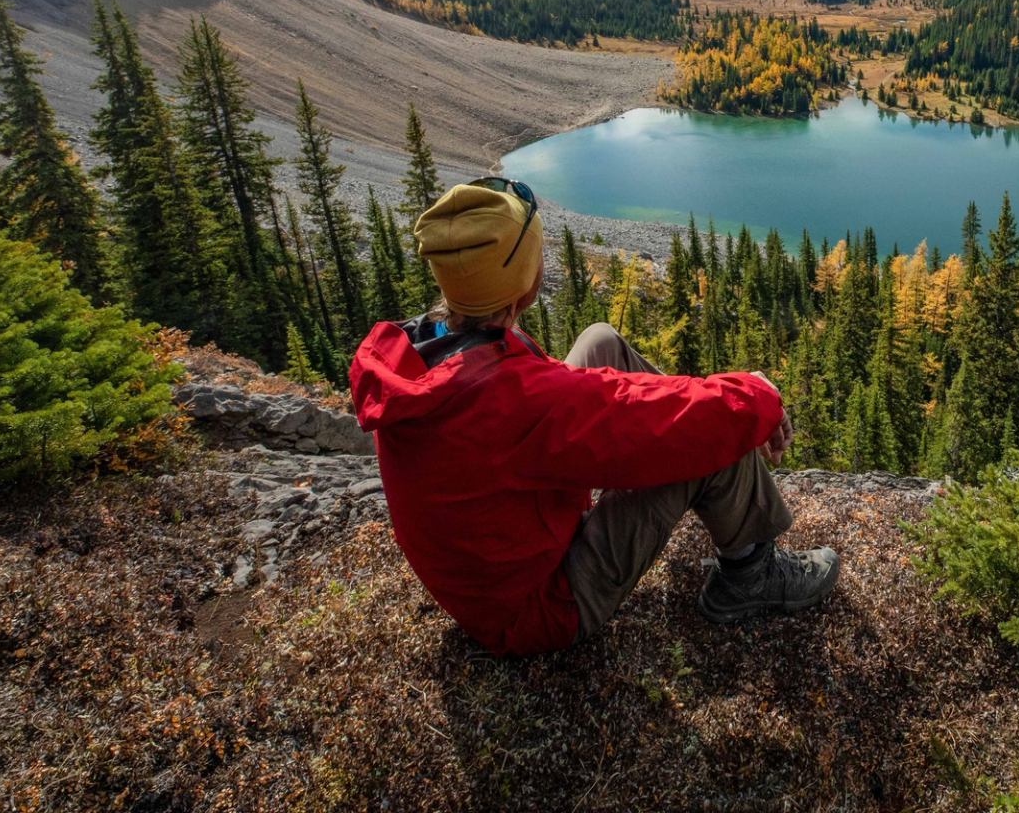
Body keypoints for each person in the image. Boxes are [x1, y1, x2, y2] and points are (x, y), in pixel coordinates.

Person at [349, 177, 840, 656]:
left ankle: (727, 501)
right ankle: (750, 574)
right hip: (540, 606)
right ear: (523, 277)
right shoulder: (511, 400)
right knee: (707, 426)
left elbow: (549, 410)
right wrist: (758, 396)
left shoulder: (428, 344)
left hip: (498, 565)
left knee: (601, 341)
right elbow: (669, 421)